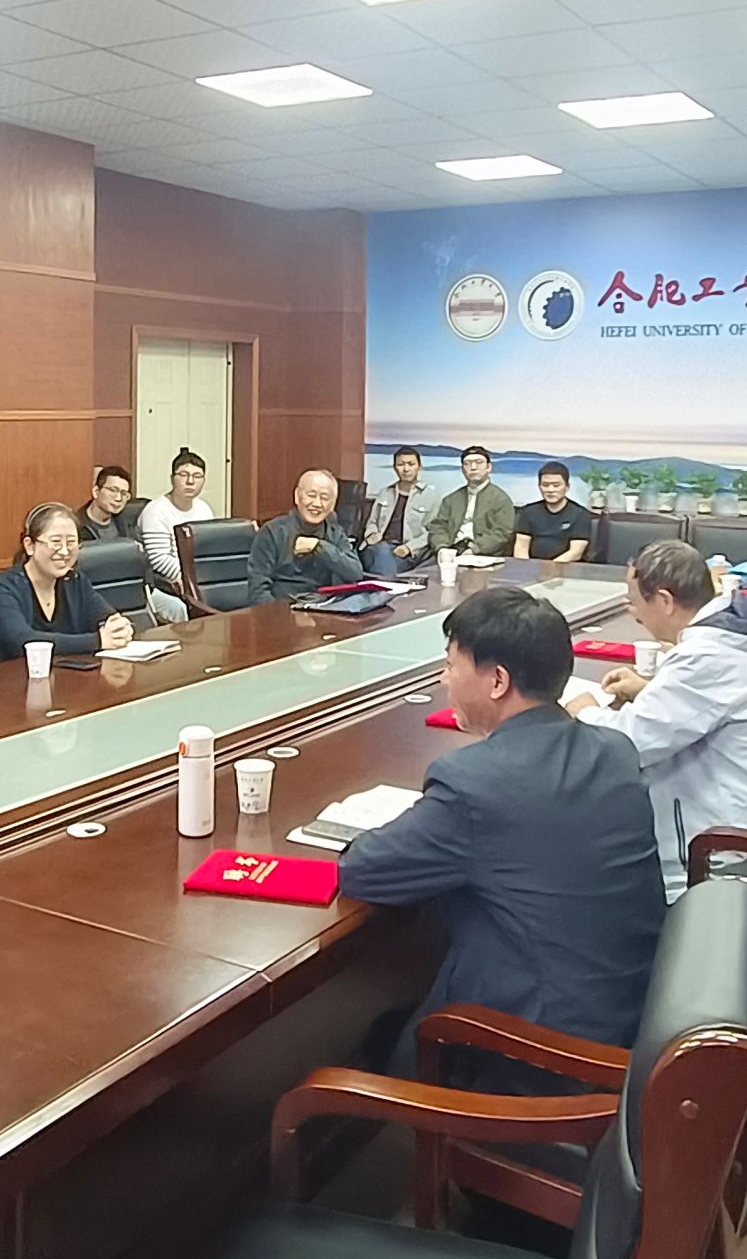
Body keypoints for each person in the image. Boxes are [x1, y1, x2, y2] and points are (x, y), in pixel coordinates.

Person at [340, 587, 667, 1083]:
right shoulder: (615, 750)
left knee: (367, 1045)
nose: (444, 679)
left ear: (497, 681)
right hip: (626, 1021)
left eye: (451, 665)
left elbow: (363, 870)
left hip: (541, 1057)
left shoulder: (475, 783)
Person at [566, 540, 747, 900]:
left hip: (728, 859)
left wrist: (584, 709)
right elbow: (711, 704)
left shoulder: (708, 655)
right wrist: (650, 689)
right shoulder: (744, 633)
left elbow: (626, 746)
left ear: (665, 601)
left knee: (581, 863)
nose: (633, 613)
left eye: (634, 601)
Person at [0, 504, 137, 661]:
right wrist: (97, 641)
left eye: (71, 542)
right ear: (29, 546)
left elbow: (108, 617)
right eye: (56, 542)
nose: (64, 551)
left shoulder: (75, 581)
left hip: (67, 672)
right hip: (10, 675)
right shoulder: (2, 588)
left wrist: (120, 629)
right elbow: (22, 641)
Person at [247, 469, 366, 604]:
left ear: (333, 504)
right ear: (297, 496)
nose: (317, 504)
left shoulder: (335, 532)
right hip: (283, 608)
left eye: (324, 498)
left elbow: (355, 573)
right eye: (311, 495)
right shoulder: (272, 532)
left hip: (322, 607)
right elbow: (258, 591)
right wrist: (279, 614)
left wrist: (319, 547)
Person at [137, 448, 216, 594]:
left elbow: (209, 550)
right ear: (172, 478)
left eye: (197, 476)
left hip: (201, 579)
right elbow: (159, 559)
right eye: (183, 475)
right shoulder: (156, 510)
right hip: (167, 583)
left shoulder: (204, 508)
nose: (190, 481)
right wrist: (191, 580)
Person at [360, 446, 439, 577]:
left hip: (408, 553)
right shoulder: (385, 493)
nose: (406, 469)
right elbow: (372, 521)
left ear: (419, 467)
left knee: (386, 565)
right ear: (395, 467)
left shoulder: (431, 496)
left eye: (411, 464)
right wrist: (372, 534)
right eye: (401, 464)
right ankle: (388, 584)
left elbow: (433, 532)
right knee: (381, 551)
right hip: (379, 546)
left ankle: (382, 585)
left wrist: (410, 547)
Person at [426, 445, 515, 558]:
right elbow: (438, 527)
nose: (473, 467)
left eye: (479, 462)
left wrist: (475, 549)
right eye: (467, 464)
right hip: (450, 551)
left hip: (484, 554)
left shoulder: (501, 499)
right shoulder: (451, 499)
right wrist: (442, 547)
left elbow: (503, 533)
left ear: (489, 467)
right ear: (463, 470)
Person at [513, 460, 593, 564]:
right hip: (533, 566)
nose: (550, 490)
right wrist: (525, 567)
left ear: (567, 487)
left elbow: (576, 552)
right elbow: (521, 546)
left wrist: (551, 567)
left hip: (566, 566)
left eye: (556, 485)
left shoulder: (580, 514)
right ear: (539, 487)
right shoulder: (528, 511)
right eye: (545, 485)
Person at [76, 465, 139, 543]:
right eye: (113, 490)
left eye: (124, 493)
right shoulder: (77, 525)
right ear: (96, 492)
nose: (118, 498)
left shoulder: (127, 520)